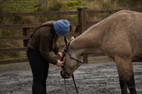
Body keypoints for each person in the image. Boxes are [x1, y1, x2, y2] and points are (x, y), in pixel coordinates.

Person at [27, 20, 70, 94]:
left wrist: (57, 52)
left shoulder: (55, 28)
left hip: (42, 52)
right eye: (60, 34)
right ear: (57, 30)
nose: (60, 35)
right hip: (34, 53)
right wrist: (56, 62)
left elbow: (53, 42)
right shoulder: (45, 34)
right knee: (38, 79)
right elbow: (43, 52)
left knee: (43, 78)